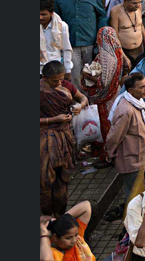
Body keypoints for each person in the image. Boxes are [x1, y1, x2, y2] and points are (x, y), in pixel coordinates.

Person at [40, 61, 85, 215]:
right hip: (45, 139)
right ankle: (47, 217)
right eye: (55, 81)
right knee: (45, 180)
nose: (59, 83)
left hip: (65, 138)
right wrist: (54, 119)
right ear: (45, 78)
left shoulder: (66, 86)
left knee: (63, 178)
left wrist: (79, 106)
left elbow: (82, 98)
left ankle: (60, 215)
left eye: (61, 79)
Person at [105, 72, 145, 178]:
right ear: (131, 91)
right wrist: (110, 152)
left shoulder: (136, 103)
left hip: (140, 161)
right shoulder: (126, 110)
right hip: (132, 163)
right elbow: (114, 137)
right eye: (142, 87)